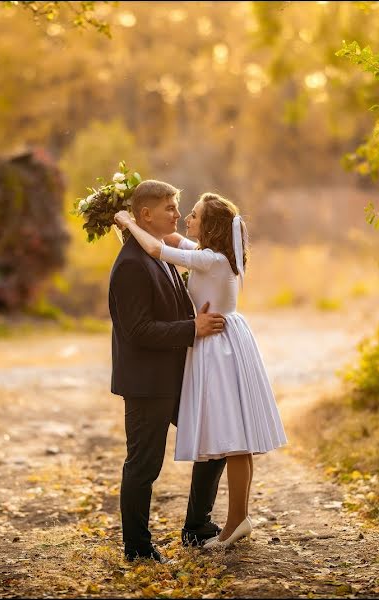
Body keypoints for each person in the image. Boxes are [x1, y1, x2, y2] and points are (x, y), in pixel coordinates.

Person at [114, 192, 287, 550]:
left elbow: (162, 249)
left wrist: (129, 222)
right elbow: (169, 241)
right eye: (176, 210)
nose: (183, 217)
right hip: (206, 350)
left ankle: (229, 520)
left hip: (218, 349)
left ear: (210, 227)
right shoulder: (206, 254)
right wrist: (135, 221)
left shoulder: (210, 259)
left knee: (234, 438)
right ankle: (164, 538)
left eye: (191, 214)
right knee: (225, 439)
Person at [108, 180, 230, 563]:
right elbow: (137, 331)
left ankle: (197, 528)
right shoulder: (130, 264)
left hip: (178, 376)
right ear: (146, 214)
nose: (177, 215)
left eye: (178, 209)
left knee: (215, 443)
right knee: (143, 464)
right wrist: (192, 329)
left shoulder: (158, 254)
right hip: (148, 382)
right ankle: (138, 548)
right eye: (169, 209)